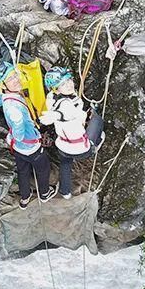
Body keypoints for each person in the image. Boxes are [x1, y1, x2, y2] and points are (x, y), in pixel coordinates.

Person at [0, 62, 58, 208]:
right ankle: (45, 194)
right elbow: (20, 134)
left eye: (15, 75)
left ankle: (24, 199)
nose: (16, 80)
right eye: (11, 79)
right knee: (43, 169)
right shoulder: (15, 109)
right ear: (3, 84)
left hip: (18, 149)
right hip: (30, 146)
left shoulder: (3, 95)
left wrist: (11, 139)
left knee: (23, 171)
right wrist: (18, 134)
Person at [39, 67, 103, 199]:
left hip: (63, 147)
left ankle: (65, 191)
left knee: (65, 164)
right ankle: (96, 144)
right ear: (56, 88)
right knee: (98, 120)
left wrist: (56, 115)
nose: (69, 85)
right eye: (62, 84)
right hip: (82, 150)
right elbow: (67, 113)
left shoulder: (51, 97)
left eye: (68, 80)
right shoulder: (66, 105)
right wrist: (58, 115)